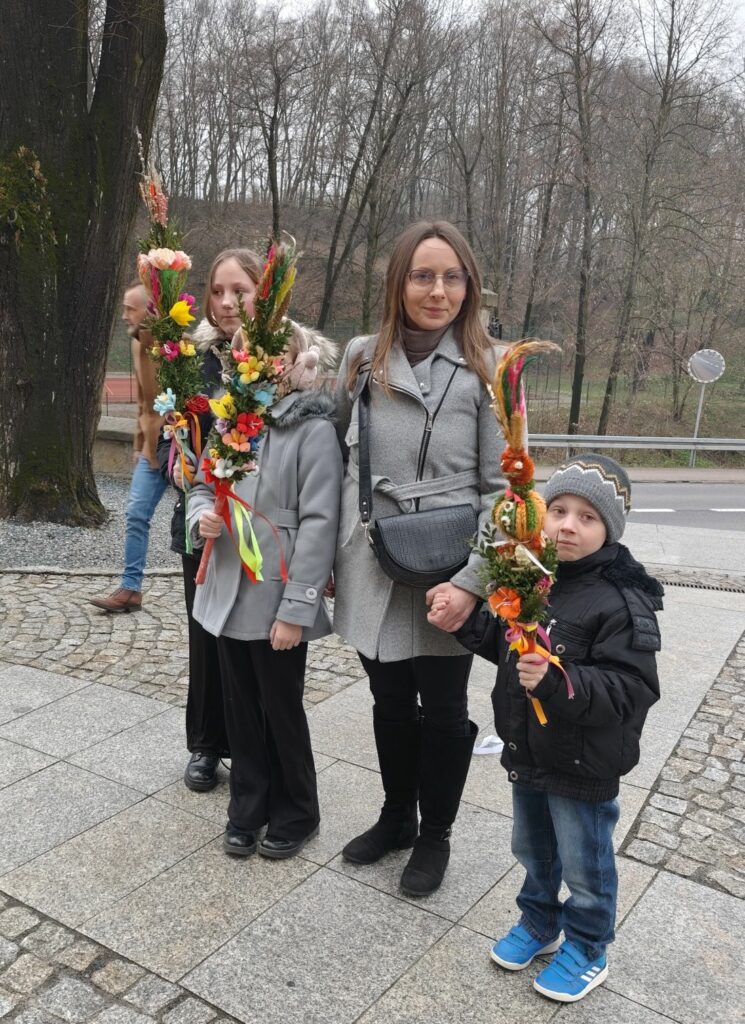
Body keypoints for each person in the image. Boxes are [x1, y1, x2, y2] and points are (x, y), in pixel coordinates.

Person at [443, 455, 663, 1003]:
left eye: (587, 517)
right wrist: (465, 621)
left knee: (586, 862)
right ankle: (540, 922)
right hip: (528, 750)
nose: (567, 525)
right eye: (558, 510)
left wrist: (557, 681)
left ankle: (588, 946)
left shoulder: (622, 599)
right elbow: (507, 646)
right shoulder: (534, 577)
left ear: (610, 528)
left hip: (584, 762)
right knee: (533, 848)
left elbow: (632, 688)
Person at [333, 220, 503, 896]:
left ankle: (435, 836)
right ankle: (396, 816)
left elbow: (504, 491)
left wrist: (472, 583)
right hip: (372, 562)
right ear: (397, 283)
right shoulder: (359, 358)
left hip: (447, 571)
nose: (438, 291)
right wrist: (326, 556)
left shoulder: (489, 369)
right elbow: (336, 461)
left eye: (452, 277)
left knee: (445, 710)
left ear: (469, 285)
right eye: (422, 276)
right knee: (389, 701)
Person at [162, 248, 334, 794]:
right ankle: (207, 743)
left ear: (265, 294)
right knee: (208, 642)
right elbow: (178, 436)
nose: (227, 302)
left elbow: (316, 481)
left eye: (240, 290)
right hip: (207, 521)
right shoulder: (191, 360)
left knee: (263, 658)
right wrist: (178, 460)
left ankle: (259, 757)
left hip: (266, 533)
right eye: (217, 291)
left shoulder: (289, 358)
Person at [185, 329, 342, 859]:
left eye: (278, 353)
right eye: (254, 353)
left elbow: (320, 522)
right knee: (240, 709)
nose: (265, 362)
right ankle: (247, 807)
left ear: (298, 360)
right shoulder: (230, 419)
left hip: (275, 593)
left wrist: (297, 609)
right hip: (227, 590)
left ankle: (297, 810)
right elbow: (202, 485)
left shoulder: (312, 430)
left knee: (281, 708)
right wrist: (200, 518)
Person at [90, 282, 168, 613]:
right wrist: (139, 442)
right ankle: (131, 589)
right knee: (136, 513)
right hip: (152, 448)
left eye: (130, 309)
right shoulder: (137, 343)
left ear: (151, 311)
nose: (124, 315)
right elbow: (143, 401)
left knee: (200, 523)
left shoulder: (177, 344)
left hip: (186, 447)